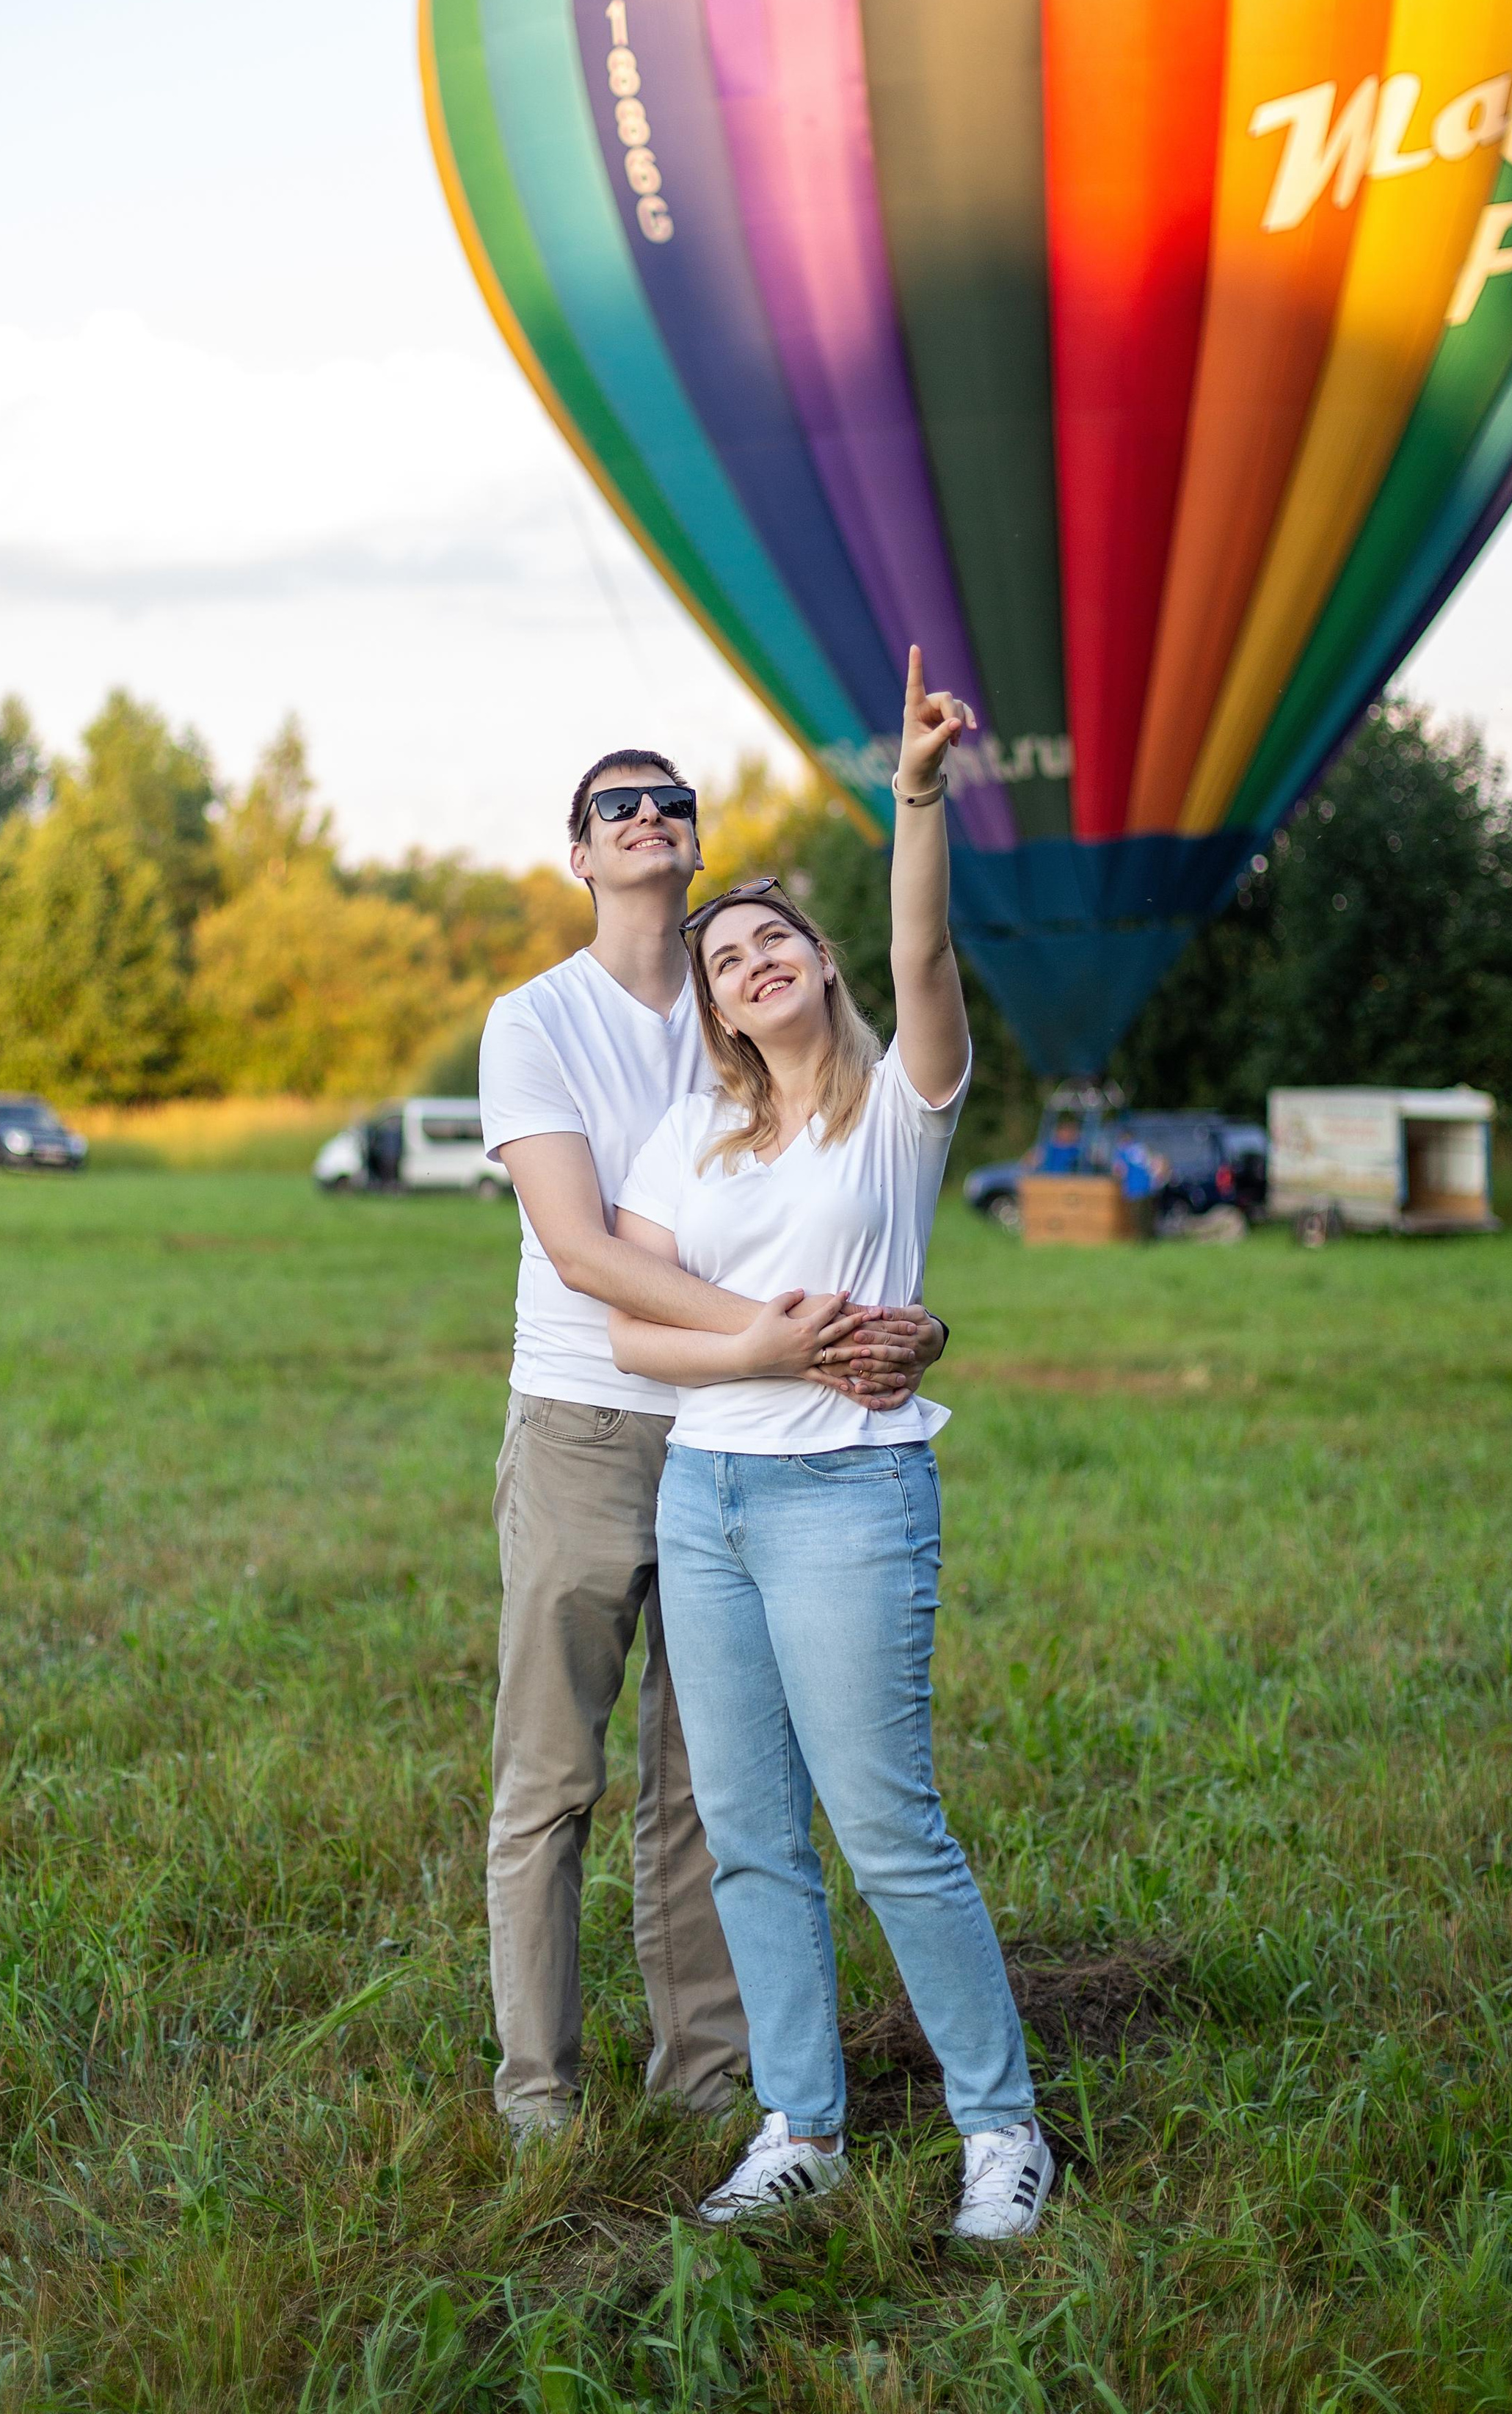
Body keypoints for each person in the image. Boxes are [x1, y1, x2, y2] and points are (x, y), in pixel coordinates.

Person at [606, 652, 1052, 2240]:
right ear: (712, 1005)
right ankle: (802, 2123)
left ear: (817, 964)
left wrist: (914, 798)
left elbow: (925, 946)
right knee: (746, 1837)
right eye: (721, 957)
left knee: (885, 1828)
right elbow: (629, 1334)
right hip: (706, 1492)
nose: (745, 963)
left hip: (847, 1496)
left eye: (771, 938)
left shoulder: (902, 1105)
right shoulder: (693, 1139)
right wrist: (758, 1346)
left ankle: (998, 2128)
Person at [478, 752, 948, 2146]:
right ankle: (540, 2096)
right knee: (553, 1777)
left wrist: (905, 1330)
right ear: (580, 853)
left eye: (670, 800)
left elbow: (853, 1204)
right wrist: (777, 1337)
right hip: (583, 1424)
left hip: (748, 1446)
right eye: (616, 804)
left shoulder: (745, 1005)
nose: (648, 816)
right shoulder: (536, 1020)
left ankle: (707, 2080)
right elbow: (580, 1252)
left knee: (704, 1788)